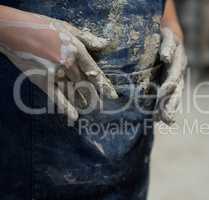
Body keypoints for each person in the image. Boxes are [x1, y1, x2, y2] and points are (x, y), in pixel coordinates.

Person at [0, 0, 187, 199]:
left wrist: (170, 25)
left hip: (133, 139)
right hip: (34, 127)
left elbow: (165, 9)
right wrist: (14, 29)